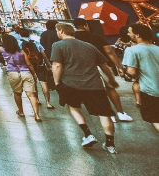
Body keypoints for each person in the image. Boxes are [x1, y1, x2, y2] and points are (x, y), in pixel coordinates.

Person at [52, 23, 118, 153]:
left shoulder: (57, 45)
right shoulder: (89, 46)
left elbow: (57, 65)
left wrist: (57, 82)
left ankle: (88, 134)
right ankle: (110, 144)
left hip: (71, 84)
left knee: (74, 108)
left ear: (60, 31)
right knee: (104, 114)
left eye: (57, 31)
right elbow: (105, 66)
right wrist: (111, 79)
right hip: (94, 85)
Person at [78, 19, 134, 122]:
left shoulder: (73, 38)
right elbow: (109, 52)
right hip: (102, 65)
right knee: (111, 89)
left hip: (84, 69)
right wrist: (119, 67)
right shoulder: (96, 36)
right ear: (85, 25)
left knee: (97, 92)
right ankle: (120, 113)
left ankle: (109, 115)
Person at [122, 22, 159, 133]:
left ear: (137, 35)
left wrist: (124, 72)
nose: (128, 34)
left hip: (151, 91)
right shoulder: (157, 48)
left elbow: (131, 72)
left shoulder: (132, 50)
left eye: (130, 32)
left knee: (154, 118)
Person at [1, 34, 42, 121]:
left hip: (12, 73)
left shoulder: (2, 50)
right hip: (25, 72)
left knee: (17, 93)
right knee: (31, 95)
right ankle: (37, 115)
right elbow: (29, 64)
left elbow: (1, 48)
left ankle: (21, 111)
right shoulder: (21, 52)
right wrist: (34, 74)